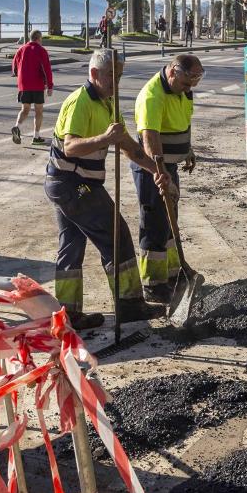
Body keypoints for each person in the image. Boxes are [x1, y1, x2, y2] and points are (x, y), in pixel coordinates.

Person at [45, 51, 165, 329]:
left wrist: (156, 171)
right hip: (71, 184)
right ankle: (130, 304)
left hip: (70, 184)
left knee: (71, 246)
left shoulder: (109, 103)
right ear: (95, 74)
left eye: (120, 77)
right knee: (117, 234)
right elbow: (70, 146)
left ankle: (68, 314)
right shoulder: (80, 102)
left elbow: (128, 146)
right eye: (112, 76)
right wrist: (105, 137)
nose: (117, 82)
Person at [131, 54, 204, 303]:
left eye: (193, 84)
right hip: (152, 168)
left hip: (170, 165)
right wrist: (161, 174)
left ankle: (174, 274)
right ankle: (153, 284)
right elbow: (150, 141)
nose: (189, 90)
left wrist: (188, 149)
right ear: (173, 72)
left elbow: (184, 121)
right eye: (186, 83)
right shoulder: (152, 96)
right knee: (154, 222)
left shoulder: (183, 90)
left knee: (169, 217)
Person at [11, 30, 53, 145]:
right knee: (39, 111)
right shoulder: (41, 50)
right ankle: (36, 136)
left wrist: (19, 76)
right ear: (39, 38)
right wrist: (50, 85)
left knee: (25, 110)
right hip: (37, 85)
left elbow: (14, 66)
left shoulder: (21, 49)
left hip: (23, 85)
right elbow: (47, 69)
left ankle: (17, 127)